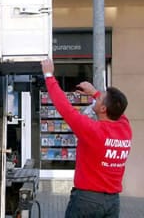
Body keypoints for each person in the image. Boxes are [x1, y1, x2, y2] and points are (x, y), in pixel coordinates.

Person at [40, 59, 132, 218]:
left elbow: (64, 107)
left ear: (103, 109)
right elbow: (117, 110)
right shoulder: (125, 128)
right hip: (112, 202)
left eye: (100, 98)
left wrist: (49, 75)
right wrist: (94, 93)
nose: (97, 97)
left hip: (86, 200)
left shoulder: (93, 131)